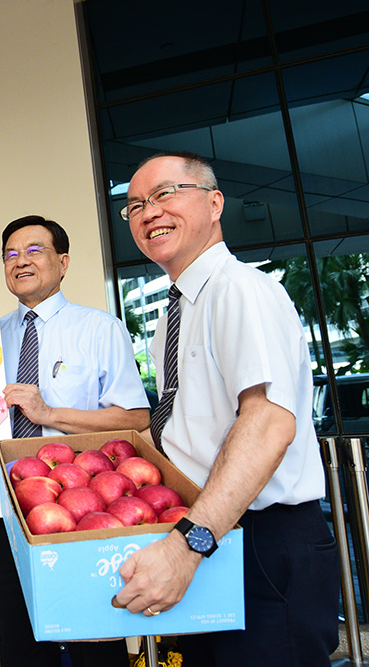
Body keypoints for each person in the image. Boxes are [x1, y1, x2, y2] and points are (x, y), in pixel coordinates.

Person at [114, 151, 341, 665]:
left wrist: (188, 543)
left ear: (214, 203)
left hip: (261, 541)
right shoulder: (174, 313)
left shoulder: (239, 290)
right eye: (134, 206)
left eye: (165, 194)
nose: (148, 212)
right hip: (212, 533)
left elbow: (267, 422)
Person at [0, 215, 150, 667]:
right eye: (10, 254)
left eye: (34, 250)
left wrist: (49, 415)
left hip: (84, 503)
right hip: (6, 507)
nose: (20, 261)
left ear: (63, 262)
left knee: (95, 637)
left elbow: (135, 416)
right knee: (19, 635)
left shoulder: (99, 328)